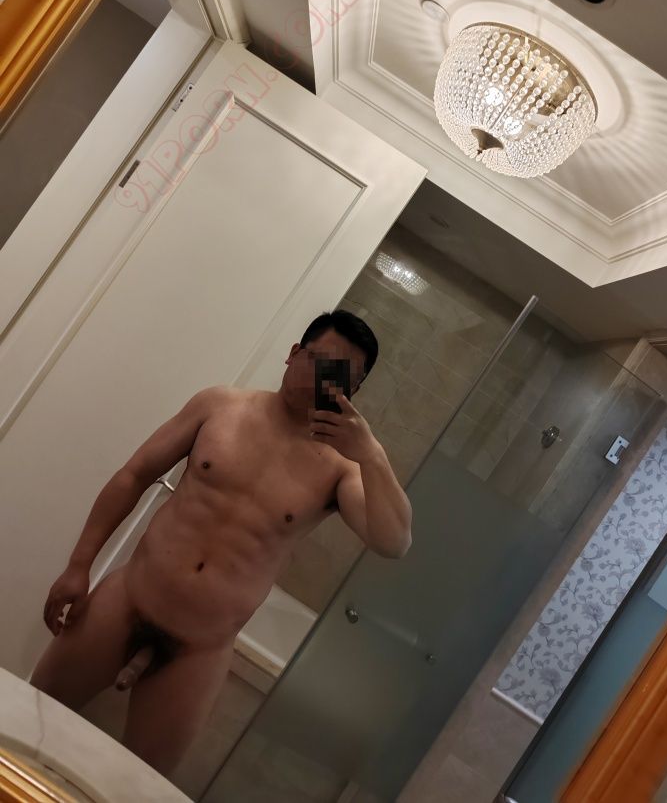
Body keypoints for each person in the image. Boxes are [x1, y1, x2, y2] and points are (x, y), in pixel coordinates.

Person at [30, 310, 412, 777]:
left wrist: (372, 454)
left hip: (201, 648)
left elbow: (394, 542)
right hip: (127, 600)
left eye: (341, 377)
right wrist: (79, 565)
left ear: (353, 390)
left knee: (137, 783)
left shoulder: (341, 468)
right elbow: (134, 475)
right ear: (294, 354)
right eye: (318, 361)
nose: (322, 380)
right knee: (29, 719)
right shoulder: (219, 407)